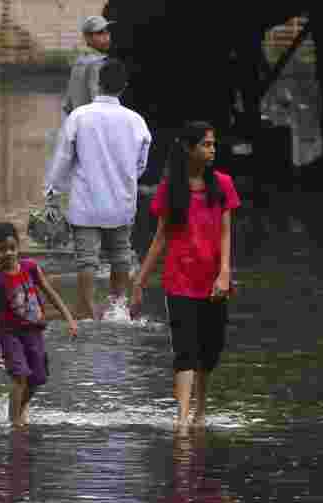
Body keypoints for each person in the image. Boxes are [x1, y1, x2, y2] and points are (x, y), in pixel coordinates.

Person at [130, 121, 241, 428]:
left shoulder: (223, 185)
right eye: (206, 144)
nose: (212, 149)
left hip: (213, 281)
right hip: (179, 281)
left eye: (213, 144)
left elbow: (226, 234)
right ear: (190, 149)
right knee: (185, 349)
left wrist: (224, 273)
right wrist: (140, 281)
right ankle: (181, 420)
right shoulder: (170, 189)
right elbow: (161, 238)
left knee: (210, 349)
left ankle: (200, 410)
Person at [46, 58, 152, 320]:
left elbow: (63, 158)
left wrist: (52, 192)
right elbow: (141, 163)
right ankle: (117, 308)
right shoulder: (136, 120)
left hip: (86, 200)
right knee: (121, 255)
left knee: (86, 259)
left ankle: (84, 308)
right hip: (121, 200)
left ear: (97, 83)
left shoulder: (79, 117)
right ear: (124, 87)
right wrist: (125, 178)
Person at [0, 222, 77, 428]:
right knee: (20, 376)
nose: (8, 253)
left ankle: (16, 408)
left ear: (19, 246)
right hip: (10, 334)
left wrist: (69, 317)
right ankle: (15, 424)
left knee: (38, 377)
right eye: (2, 249)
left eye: (12, 248)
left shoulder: (30, 267)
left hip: (34, 332)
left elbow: (50, 292)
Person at [62, 15, 114, 116]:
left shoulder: (78, 62)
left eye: (107, 31)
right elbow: (99, 104)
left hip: (79, 126)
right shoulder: (98, 63)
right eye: (100, 33)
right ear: (87, 37)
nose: (106, 36)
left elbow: (67, 105)